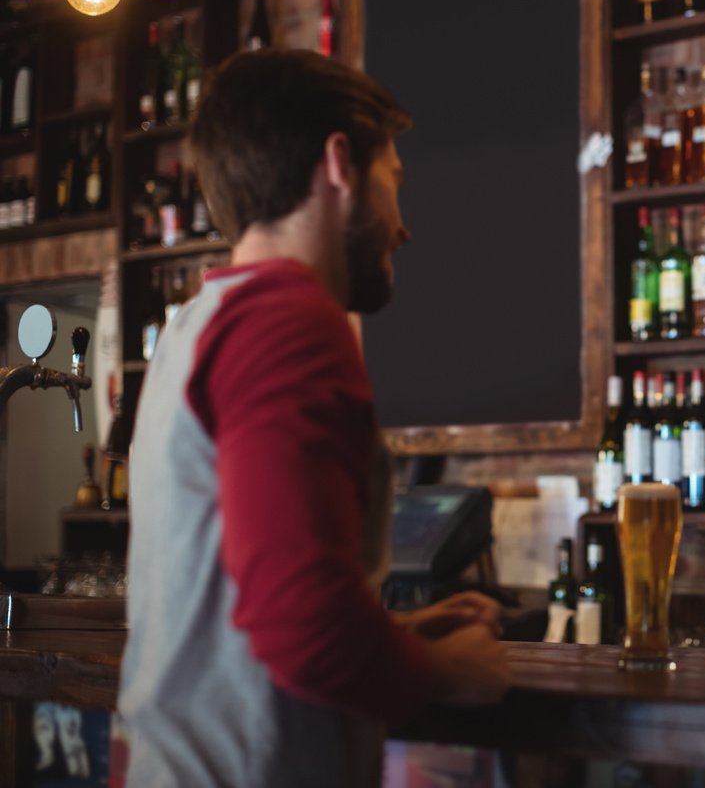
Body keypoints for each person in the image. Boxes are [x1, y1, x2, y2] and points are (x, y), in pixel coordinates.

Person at [117, 49, 509, 787]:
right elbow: (298, 617)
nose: (404, 227)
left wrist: (393, 635)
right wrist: (434, 672)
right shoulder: (288, 322)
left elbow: (229, 605)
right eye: (395, 177)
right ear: (339, 164)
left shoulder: (197, 323)